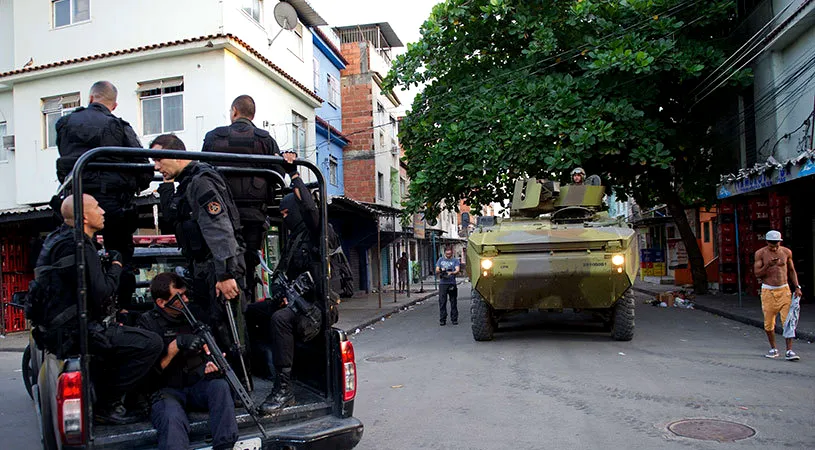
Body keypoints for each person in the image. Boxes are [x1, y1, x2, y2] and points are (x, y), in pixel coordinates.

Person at [35, 194, 163, 424]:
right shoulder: (79, 245)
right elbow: (103, 291)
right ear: (84, 216)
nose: (103, 211)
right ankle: (108, 404)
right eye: (97, 207)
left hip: (64, 331)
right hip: (76, 333)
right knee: (152, 343)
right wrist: (116, 266)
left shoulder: (58, 241)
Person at [151, 135, 251, 386]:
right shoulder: (185, 184)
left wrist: (225, 275)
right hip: (205, 269)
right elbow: (173, 217)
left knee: (230, 331)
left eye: (158, 158)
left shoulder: (201, 181)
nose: (155, 165)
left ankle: (242, 386)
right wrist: (165, 186)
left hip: (220, 267)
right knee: (213, 326)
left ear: (176, 155)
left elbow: (219, 229)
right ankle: (224, 382)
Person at [55, 81, 153, 310]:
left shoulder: (65, 124)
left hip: (76, 203)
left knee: (75, 255)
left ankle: (82, 310)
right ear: (114, 105)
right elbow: (143, 167)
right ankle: (122, 310)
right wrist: (134, 186)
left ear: (90, 99)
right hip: (114, 205)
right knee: (121, 257)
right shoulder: (117, 126)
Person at [254, 151, 322, 414]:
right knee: (254, 311)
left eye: (285, 212)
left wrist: (294, 174)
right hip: (296, 303)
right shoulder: (294, 238)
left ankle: (285, 390)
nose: (283, 218)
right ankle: (262, 368)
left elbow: (309, 208)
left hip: (315, 309)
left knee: (280, 319)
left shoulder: (316, 231)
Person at [137, 272, 238, 450]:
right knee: (171, 418)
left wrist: (211, 364)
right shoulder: (147, 324)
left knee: (220, 386)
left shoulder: (194, 315)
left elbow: (210, 349)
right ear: (161, 302)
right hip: (167, 390)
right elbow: (149, 373)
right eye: (179, 297)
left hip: (196, 384)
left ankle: (226, 446)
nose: (185, 300)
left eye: (185, 294)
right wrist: (177, 345)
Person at [203, 95, 282, 303]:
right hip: (254, 217)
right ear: (253, 115)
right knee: (248, 264)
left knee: (222, 265)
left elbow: (202, 172)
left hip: (221, 217)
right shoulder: (265, 140)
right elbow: (278, 173)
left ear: (234, 111)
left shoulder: (214, 137)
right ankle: (245, 307)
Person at [753, 230, 801, 361]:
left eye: (776, 243)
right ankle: (773, 348)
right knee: (769, 323)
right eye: (771, 244)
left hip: (784, 289)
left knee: (788, 321)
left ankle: (789, 350)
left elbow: (791, 270)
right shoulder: (760, 253)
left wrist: (797, 286)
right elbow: (757, 273)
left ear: (780, 242)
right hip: (768, 290)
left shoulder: (786, 252)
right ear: (767, 242)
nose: (774, 247)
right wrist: (768, 265)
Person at [436, 247, 460, 326]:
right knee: (442, 302)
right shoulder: (440, 260)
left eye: (449, 254)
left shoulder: (455, 260)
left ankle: (454, 319)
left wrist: (452, 273)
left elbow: (457, 270)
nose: (448, 255)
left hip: (452, 283)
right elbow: (436, 270)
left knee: (453, 302)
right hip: (443, 283)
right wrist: (442, 270)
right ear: (445, 253)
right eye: (447, 254)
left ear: (452, 253)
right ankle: (442, 319)